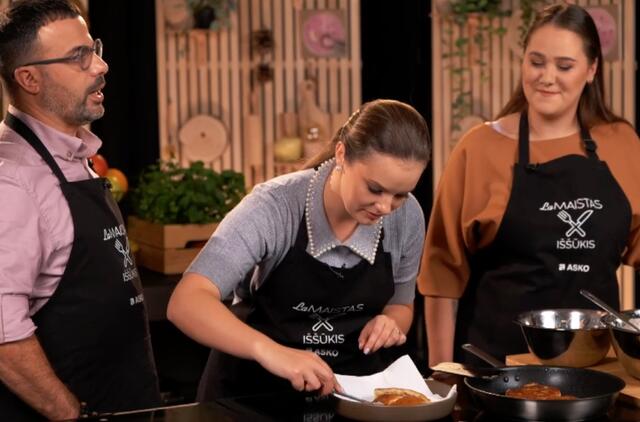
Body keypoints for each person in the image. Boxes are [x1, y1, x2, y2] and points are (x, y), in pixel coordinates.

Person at [420, 3, 640, 367]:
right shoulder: (479, 148)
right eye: (536, 62)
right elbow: (441, 277)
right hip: (497, 371)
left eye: (564, 66)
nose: (547, 77)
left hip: (598, 374)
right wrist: (442, 376)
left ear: (591, 70)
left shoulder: (622, 143)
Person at [167, 99, 430, 399]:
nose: (385, 207)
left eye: (400, 194)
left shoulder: (407, 217)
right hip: (251, 396)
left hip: (349, 397)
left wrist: (391, 323)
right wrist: (269, 350)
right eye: (374, 188)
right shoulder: (273, 206)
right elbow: (186, 302)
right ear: (342, 154)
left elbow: (401, 306)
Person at [0, 1, 161, 419]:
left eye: (94, 49)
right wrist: (70, 413)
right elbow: (2, 332)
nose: (101, 66)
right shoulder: (12, 182)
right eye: (78, 57)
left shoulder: (73, 155)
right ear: (29, 78)